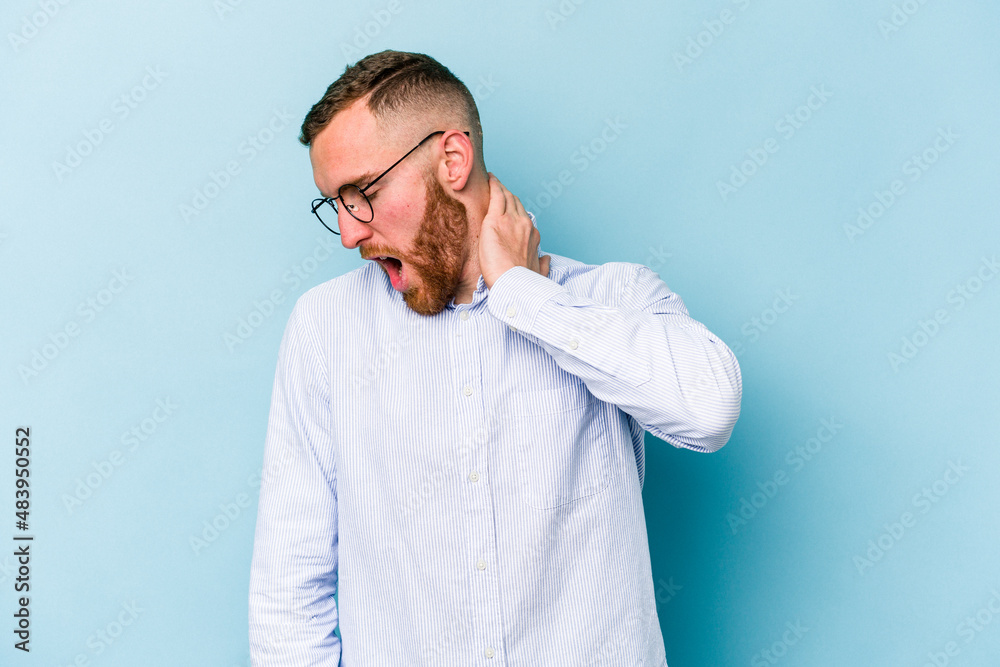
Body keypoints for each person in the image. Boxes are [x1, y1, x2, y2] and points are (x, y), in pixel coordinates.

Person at [249, 49, 742, 666]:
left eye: (363, 193)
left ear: (453, 160)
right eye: (335, 204)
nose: (349, 234)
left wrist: (524, 296)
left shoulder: (611, 297)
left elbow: (710, 409)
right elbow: (288, 594)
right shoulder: (326, 328)